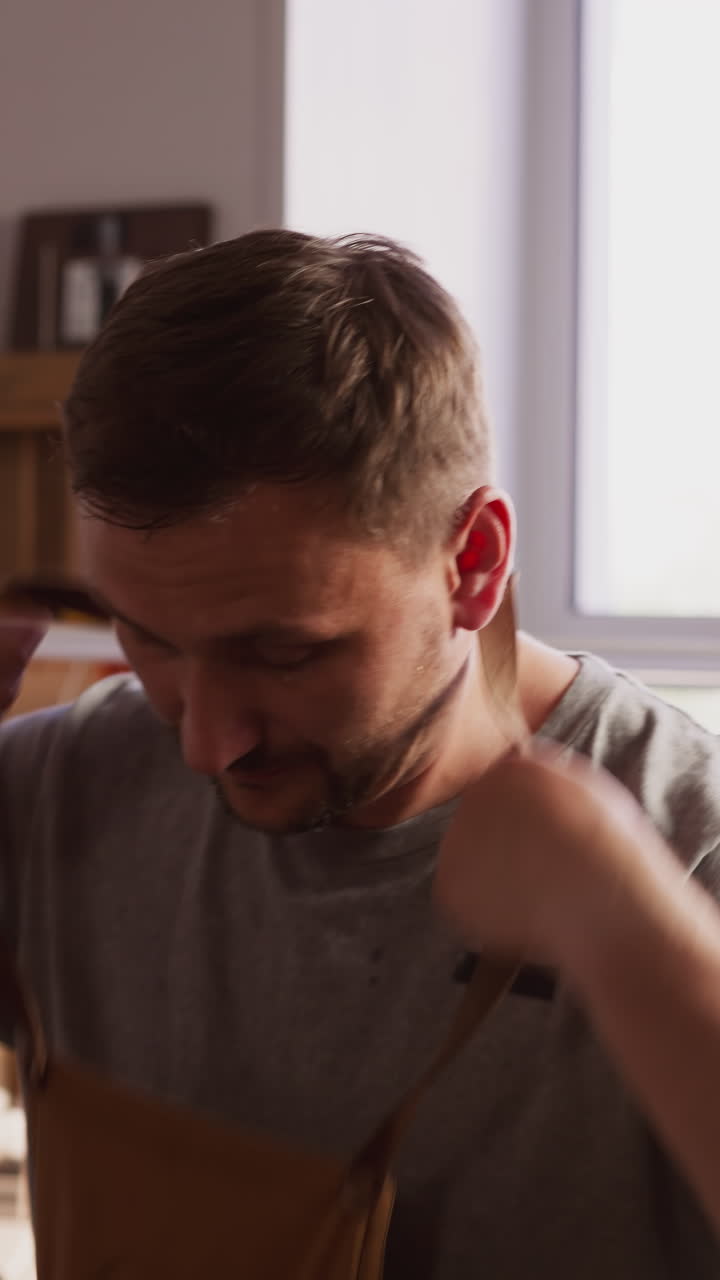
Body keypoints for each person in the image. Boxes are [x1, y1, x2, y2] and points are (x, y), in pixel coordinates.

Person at [1, 230, 719, 1278]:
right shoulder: (63, 791)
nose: (206, 740)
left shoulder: (686, 849)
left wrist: (626, 933)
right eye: (146, 637)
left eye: (284, 652)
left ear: (472, 564)